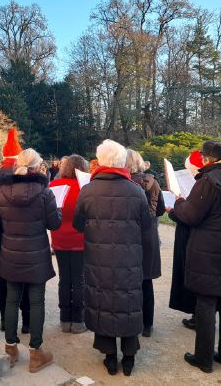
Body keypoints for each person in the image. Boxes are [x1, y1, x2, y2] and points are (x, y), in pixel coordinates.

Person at [171, 140, 221, 374]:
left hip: (208, 250)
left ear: (208, 159)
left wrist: (178, 201)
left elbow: (190, 216)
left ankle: (203, 358)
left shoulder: (208, 181)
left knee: (206, 301)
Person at [73, 140, 152, 376]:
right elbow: (146, 226)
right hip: (128, 259)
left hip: (99, 258)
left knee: (103, 302)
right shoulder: (136, 190)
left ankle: (109, 356)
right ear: (121, 162)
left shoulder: (88, 190)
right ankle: (129, 357)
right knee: (128, 302)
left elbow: (78, 224)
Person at [0, 148, 62, 373]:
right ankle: (36, 353)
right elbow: (54, 224)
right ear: (38, 167)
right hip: (36, 253)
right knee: (37, 301)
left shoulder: (0, 190)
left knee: (11, 300)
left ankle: (10, 350)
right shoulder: (45, 193)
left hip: (10, 253)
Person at [0, 128, 31, 333]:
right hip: (23, 232)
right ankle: (28, 320)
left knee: (3, 273)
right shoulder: (24, 174)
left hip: (1, 232)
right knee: (26, 274)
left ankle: (6, 318)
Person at [126, 149, 165, 338]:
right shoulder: (153, 182)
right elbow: (160, 211)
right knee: (146, 281)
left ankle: (132, 321)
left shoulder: (124, 183)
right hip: (148, 235)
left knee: (128, 281)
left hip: (129, 236)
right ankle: (147, 324)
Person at [49, 154, 89, 334]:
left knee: (64, 279)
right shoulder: (85, 187)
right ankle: (78, 320)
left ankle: (65, 319)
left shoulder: (54, 185)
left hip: (59, 238)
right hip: (80, 239)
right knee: (79, 279)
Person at [168, 150, 203, 330]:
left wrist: (175, 207)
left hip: (190, 234)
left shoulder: (201, 185)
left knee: (192, 273)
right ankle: (197, 313)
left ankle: (198, 314)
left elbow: (188, 215)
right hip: (197, 234)